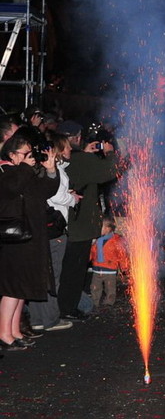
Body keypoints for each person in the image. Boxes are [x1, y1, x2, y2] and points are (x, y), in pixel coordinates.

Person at [0, 133, 59, 351]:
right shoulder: (5, 171)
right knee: (12, 289)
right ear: (12, 154)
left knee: (21, 289)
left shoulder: (23, 172)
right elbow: (12, 189)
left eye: (30, 153)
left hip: (29, 238)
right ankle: (4, 334)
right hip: (14, 240)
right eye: (25, 153)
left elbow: (44, 191)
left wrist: (51, 171)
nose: (30, 158)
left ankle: (14, 331)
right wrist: (26, 167)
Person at [56, 120, 119, 320]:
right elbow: (111, 171)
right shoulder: (80, 160)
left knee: (68, 268)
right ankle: (68, 308)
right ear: (76, 138)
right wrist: (109, 152)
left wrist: (85, 154)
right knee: (74, 270)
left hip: (68, 223)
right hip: (79, 224)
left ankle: (66, 306)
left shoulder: (68, 159)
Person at [27, 132, 78, 332]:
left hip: (43, 229)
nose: (71, 149)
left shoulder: (40, 169)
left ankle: (38, 318)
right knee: (52, 275)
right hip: (53, 230)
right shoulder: (51, 170)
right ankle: (50, 319)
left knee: (40, 275)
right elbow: (56, 196)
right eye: (66, 146)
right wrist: (73, 199)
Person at [89, 216, 129, 308]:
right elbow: (92, 251)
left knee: (110, 287)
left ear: (107, 229)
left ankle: (109, 301)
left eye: (100, 226)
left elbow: (121, 254)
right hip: (97, 268)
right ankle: (95, 301)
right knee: (95, 287)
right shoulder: (97, 240)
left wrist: (124, 266)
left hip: (110, 269)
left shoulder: (115, 240)